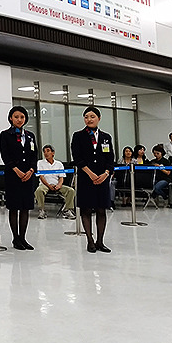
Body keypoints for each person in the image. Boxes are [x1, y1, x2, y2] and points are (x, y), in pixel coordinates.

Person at [71, 106, 115, 253]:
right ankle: (90, 241)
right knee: (86, 209)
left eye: (92, 116)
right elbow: (77, 158)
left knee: (101, 210)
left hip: (102, 178)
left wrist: (106, 173)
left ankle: (100, 241)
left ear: (99, 118)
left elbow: (110, 158)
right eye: (86, 117)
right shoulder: (78, 136)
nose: (89, 119)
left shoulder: (106, 137)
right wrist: (90, 173)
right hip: (86, 177)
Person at [0, 106, 38, 250]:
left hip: (28, 176)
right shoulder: (5, 135)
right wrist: (16, 170)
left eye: (22, 117)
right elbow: (5, 155)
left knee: (25, 208)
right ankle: (15, 238)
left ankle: (23, 238)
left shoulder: (30, 136)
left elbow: (34, 155)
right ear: (11, 118)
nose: (19, 119)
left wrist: (31, 170)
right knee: (14, 207)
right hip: (13, 176)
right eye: (16, 117)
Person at [35, 145, 76, 220]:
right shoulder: (40, 163)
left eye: (48, 151)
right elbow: (41, 177)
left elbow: (61, 177)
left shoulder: (59, 164)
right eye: (44, 152)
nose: (46, 153)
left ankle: (67, 210)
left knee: (71, 191)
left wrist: (59, 185)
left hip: (56, 184)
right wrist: (48, 185)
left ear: (53, 153)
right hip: (45, 184)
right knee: (39, 191)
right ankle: (42, 210)